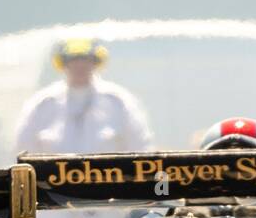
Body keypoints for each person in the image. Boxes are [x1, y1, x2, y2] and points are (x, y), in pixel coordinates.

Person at [12, 38, 154, 154]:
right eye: (73, 60)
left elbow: (141, 145)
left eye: (85, 60)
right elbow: (23, 148)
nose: (79, 65)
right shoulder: (42, 104)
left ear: (95, 63)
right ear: (63, 64)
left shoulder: (118, 101)